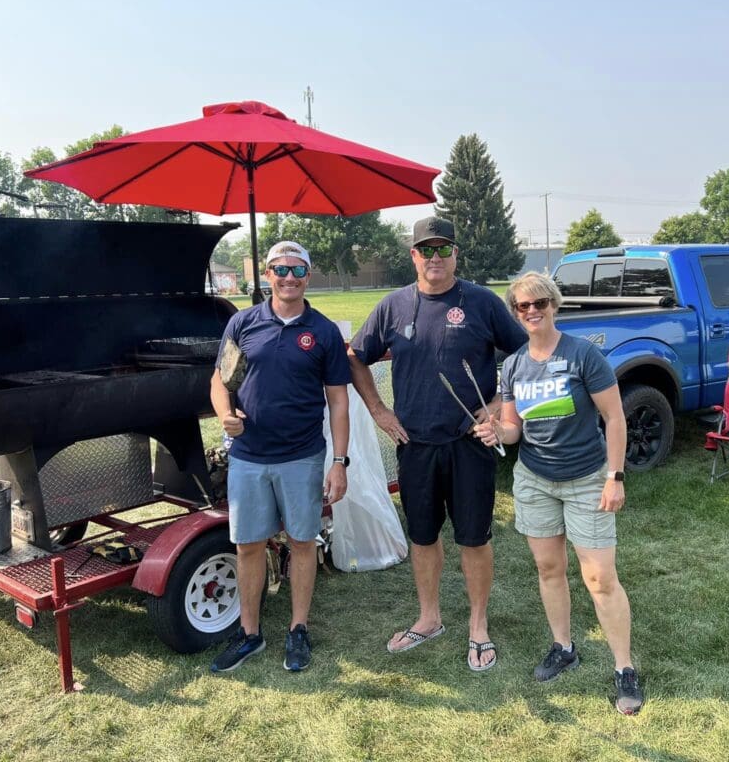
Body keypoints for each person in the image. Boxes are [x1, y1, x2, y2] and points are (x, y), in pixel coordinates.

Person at [348, 216, 528, 672]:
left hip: (469, 444)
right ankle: (429, 619)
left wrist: (497, 406)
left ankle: (478, 626)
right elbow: (355, 356)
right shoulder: (393, 306)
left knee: (474, 537)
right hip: (416, 445)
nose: (434, 258)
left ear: (455, 254)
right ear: (413, 255)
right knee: (423, 536)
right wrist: (379, 411)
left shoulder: (482, 302)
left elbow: (526, 355)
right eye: (425, 249)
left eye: (442, 248)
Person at [474, 271, 645, 715]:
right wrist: (496, 431)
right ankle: (563, 646)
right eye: (523, 307)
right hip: (535, 480)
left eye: (540, 303)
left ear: (554, 304)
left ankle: (624, 667)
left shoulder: (583, 355)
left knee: (600, 579)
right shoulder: (512, 365)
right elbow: (514, 430)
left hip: (587, 478)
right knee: (549, 569)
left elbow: (616, 418)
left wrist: (615, 476)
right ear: (516, 313)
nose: (532, 312)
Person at [208, 240, 351, 674]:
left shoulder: (323, 331)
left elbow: (339, 403)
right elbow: (219, 380)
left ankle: (298, 629)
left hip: (302, 456)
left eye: (298, 270)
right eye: (280, 270)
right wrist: (225, 414)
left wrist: (340, 462)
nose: (289, 278)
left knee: (302, 542)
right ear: (266, 274)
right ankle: (249, 634)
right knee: (248, 545)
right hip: (249, 456)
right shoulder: (242, 323)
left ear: (309, 275)